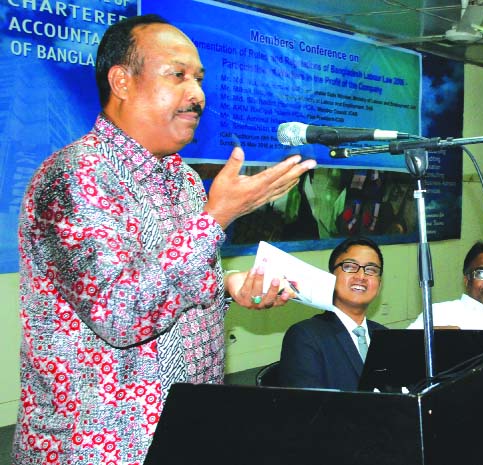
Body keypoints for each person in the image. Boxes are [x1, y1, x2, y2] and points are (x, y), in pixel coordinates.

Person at [14, 15, 317, 464]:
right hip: (102, 447)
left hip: (190, 430)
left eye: (198, 79)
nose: (196, 94)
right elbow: (119, 313)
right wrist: (218, 216)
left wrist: (229, 285)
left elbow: (175, 283)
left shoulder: (186, 182)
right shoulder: (75, 176)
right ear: (121, 81)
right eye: (177, 75)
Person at [279, 236, 386, 390]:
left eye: (371, 270)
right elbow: (306, 407)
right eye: (349, 266)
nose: (361, 276)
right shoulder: (306, 336)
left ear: (379, 284)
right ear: (331, 277)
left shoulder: (383, 335)